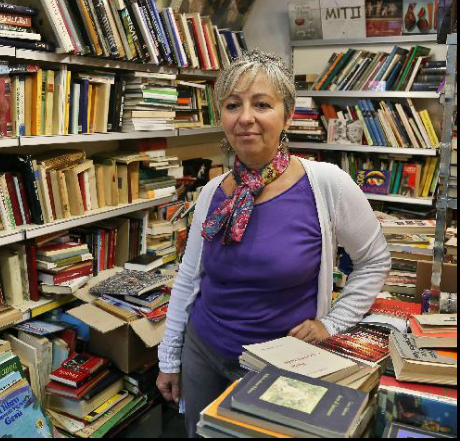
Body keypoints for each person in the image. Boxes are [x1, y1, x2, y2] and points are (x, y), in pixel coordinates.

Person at [153, 51, 391, 438]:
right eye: (233, 105)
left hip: (281, 364)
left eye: (262, 104)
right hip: (204, 352)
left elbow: (375, 261)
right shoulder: (212, 192)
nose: (245, 117)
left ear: (287, 114)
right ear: (222, 117)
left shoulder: (325, 184)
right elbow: (188, 279)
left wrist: (332, 323)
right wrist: (170, 357)